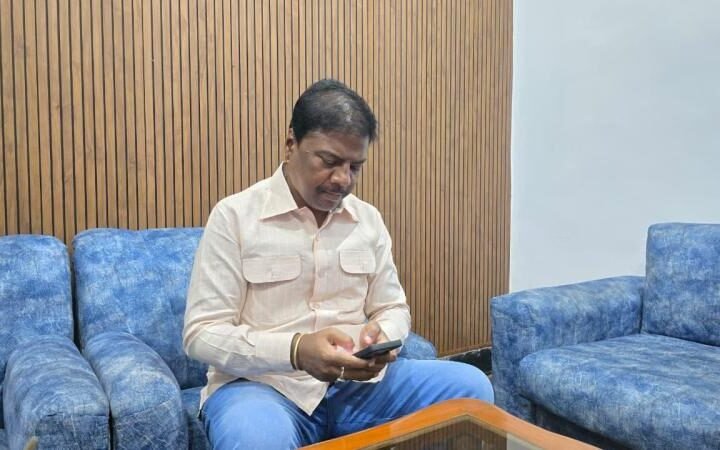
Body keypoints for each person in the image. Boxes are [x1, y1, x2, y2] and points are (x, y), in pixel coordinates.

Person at [183, 79, 494, 449]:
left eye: (355, 166)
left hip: (358, 388)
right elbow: (201, 334)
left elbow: (392, 307)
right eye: (329, 162)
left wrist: (382, 336)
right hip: (264, 388)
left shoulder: (368, 220)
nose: (343, 180)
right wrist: (297, 350)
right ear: (291, 144)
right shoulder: (235, 217)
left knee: (472, 388)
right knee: (255, 439)